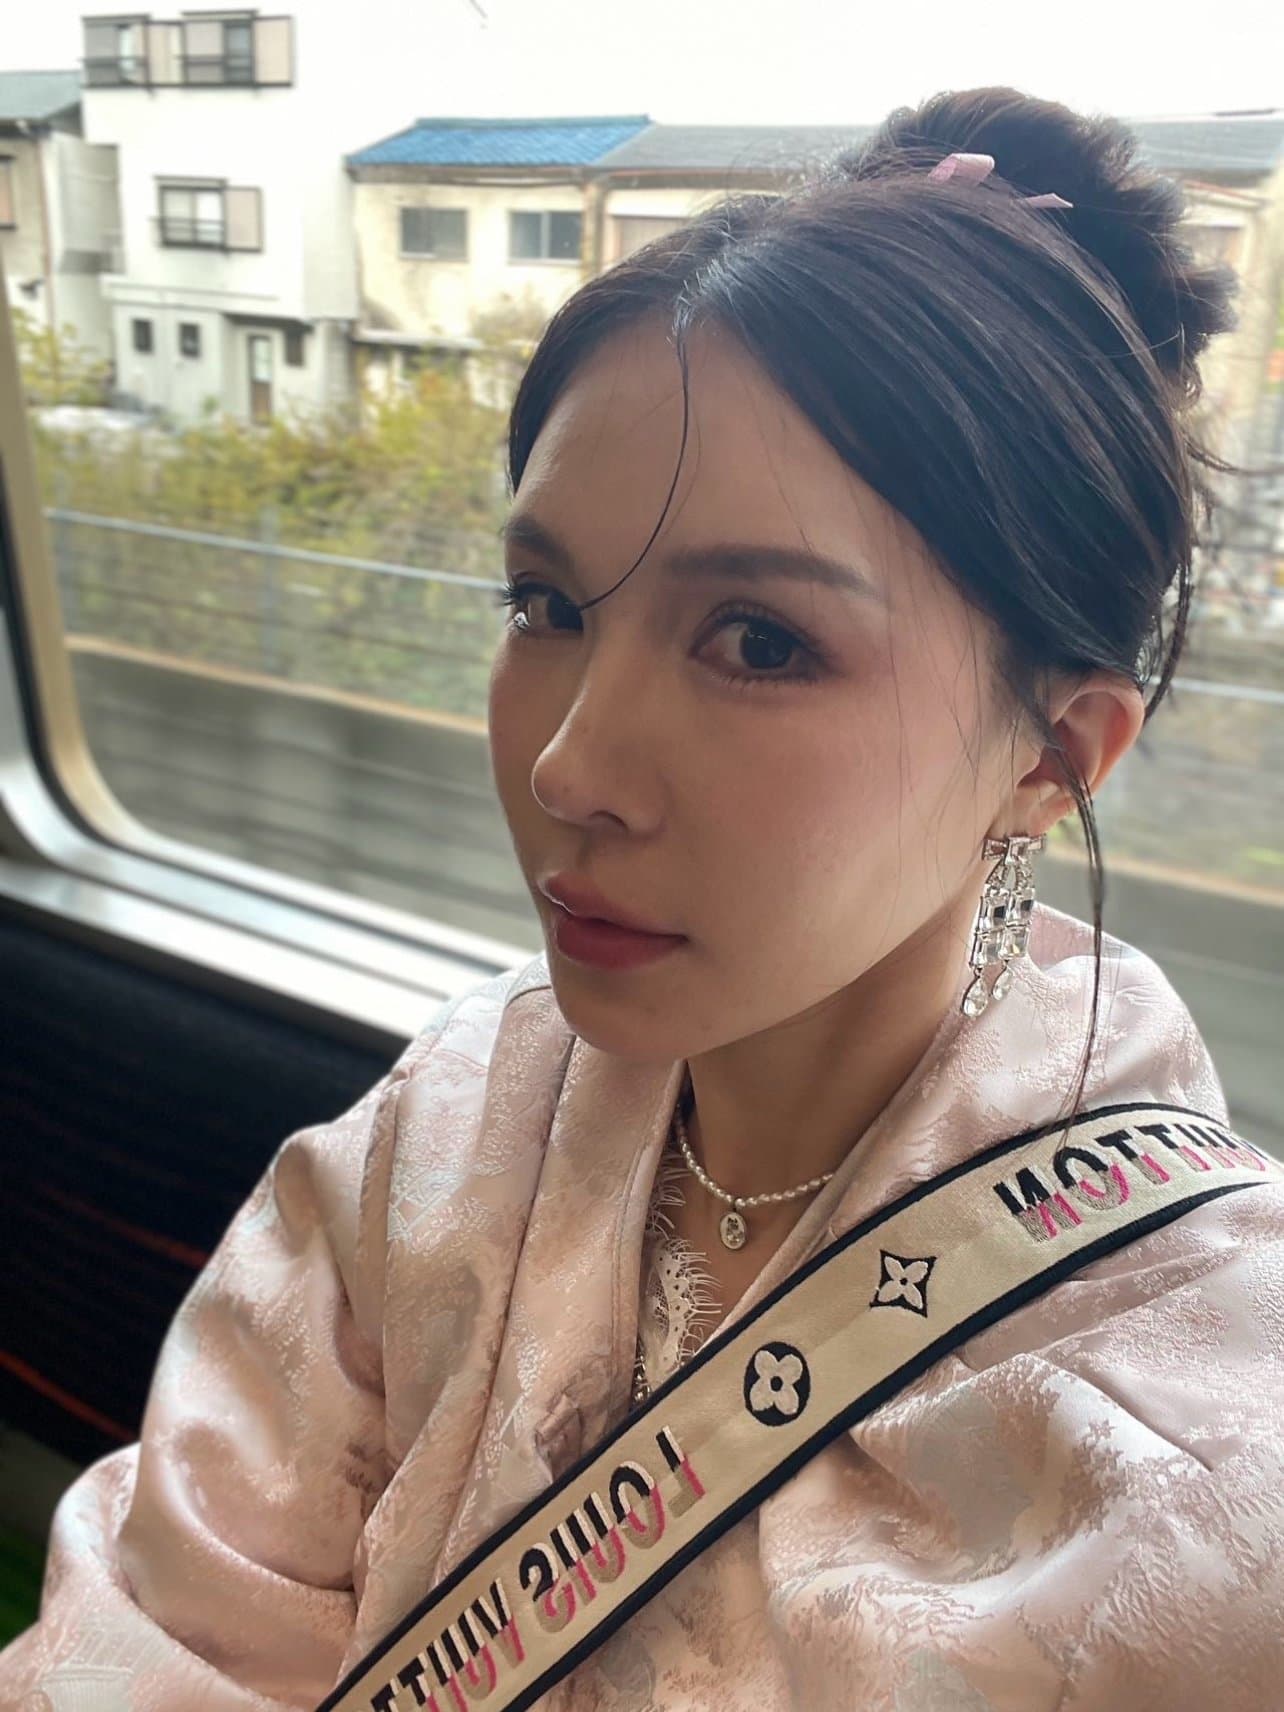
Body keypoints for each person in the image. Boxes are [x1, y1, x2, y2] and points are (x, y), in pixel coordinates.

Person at [4, 85, 1282, 1712]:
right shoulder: (443, 1132)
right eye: (545, 603)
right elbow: (163, 1629)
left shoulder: (1206, 1435)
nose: (569, 766)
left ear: (1051, 757)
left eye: (760, 640)